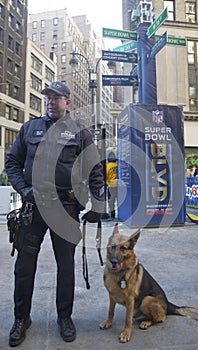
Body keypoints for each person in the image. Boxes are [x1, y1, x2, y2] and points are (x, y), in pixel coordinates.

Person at [5, 81, 105, 347]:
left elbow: (95, 170)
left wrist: (98, 205)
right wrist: (23, 189)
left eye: (56, 98)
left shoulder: (80, 132)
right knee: (24, 267)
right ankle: (21, 318)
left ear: (67, 102)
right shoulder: (29, 128)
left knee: (65, 267)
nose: (50, 101)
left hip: (66, 207)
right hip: (33, 207)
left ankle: (64, 317)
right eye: (47, 97)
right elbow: (12, 163)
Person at [106, 151, 118, 219]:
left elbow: (105, 177)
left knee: (111, 201)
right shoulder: (118, 165)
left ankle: (112, 214)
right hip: (119, 185)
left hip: (111, 186)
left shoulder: (107, 166)